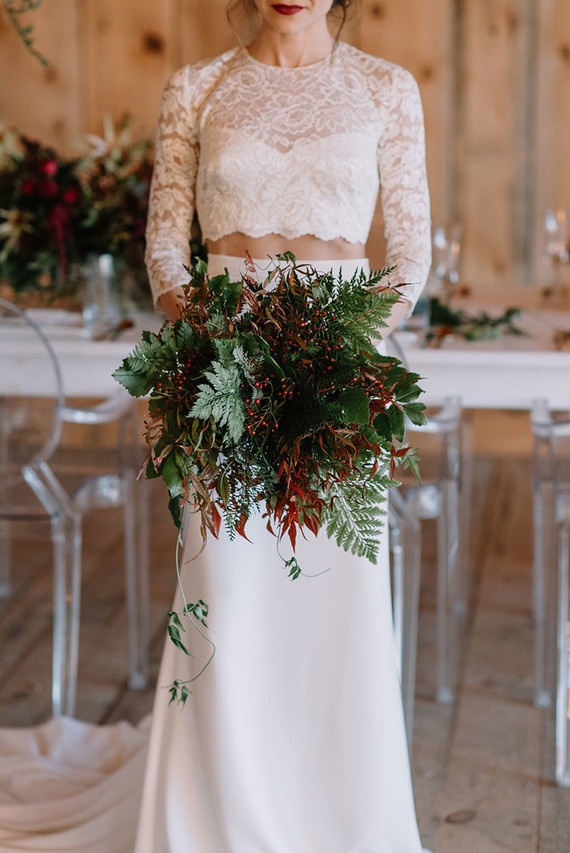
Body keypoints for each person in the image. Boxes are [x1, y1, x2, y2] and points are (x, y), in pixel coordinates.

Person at [136, 1, 432, 851]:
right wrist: (212, 335)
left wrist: (341, 353)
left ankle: (340, 819)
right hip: (223, 369)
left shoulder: (385, 88)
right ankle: (218, 819)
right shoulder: (196, 88)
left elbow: (409, 253)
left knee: (333, 606)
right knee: (227, 594)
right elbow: (166, 246)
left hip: (339, 369)